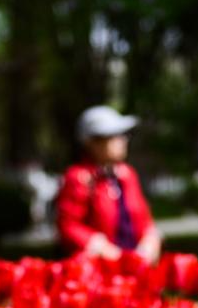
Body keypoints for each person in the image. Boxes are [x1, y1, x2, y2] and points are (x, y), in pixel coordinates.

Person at [57, 105, 160, 262]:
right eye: (113, 136)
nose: (122, 141)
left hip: (135, 265)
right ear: (92, 143)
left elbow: (144, 218)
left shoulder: (127, 174)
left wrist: (149, 243)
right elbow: (69, 225)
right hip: (100, 272)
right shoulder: (79, 177)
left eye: (123, 135)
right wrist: (104, 249)